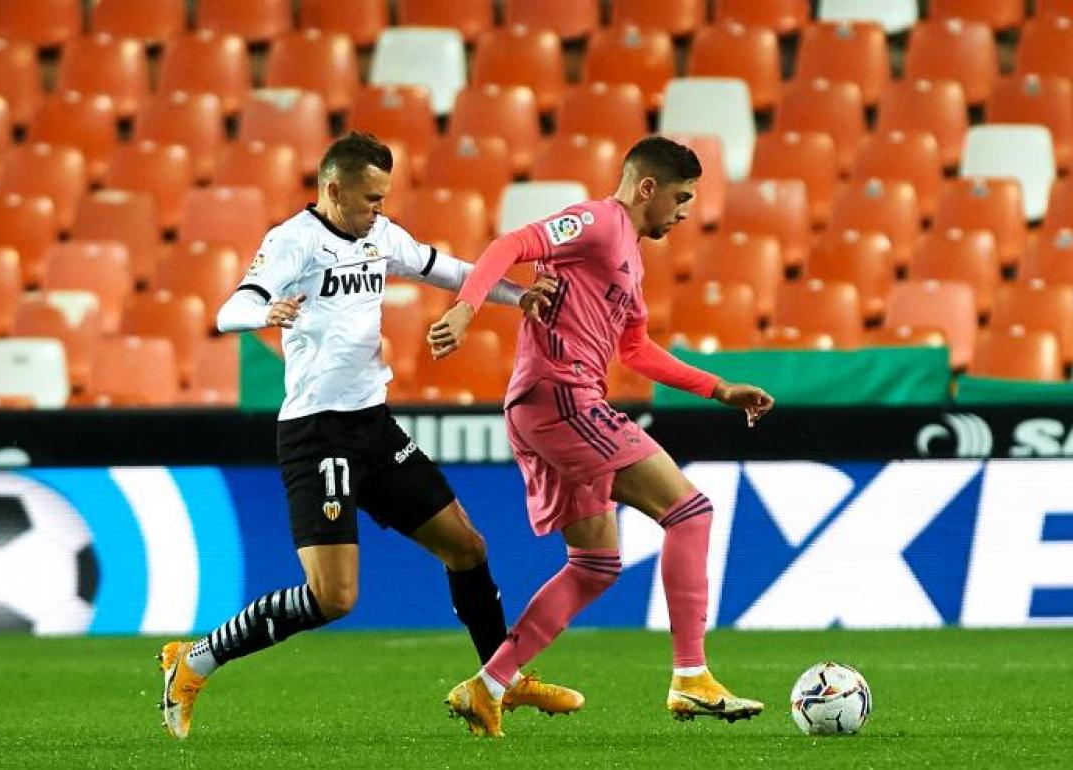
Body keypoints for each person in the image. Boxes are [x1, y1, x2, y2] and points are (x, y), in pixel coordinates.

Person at [156, 132, 581, 739]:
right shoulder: (293, 241)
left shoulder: (381, 235)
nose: (380, 208)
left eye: (383, 198)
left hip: (373, 427)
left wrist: (517, 296)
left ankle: (497, 682)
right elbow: (230, 309)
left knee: (467, 547)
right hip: (316, 432)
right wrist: (264, 313)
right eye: (371, 198)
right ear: (334, 189)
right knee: (333, 598)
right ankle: (194, 660)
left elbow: (449, 270)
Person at [428, 135, 775, 737]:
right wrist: (466, 308)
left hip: (547, 406)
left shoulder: (631, 258)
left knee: (594, 564)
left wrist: (718, 389)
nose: (686, 210)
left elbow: (635, 349)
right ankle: (691, 677)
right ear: (648, 187)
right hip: (561, 399)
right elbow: (512, 244)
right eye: (681, 197)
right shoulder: (597, 223)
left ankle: (487, 686)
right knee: (690, 513)